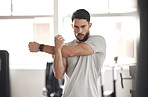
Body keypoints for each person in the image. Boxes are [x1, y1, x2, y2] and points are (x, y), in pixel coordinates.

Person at [28, 9, 106, 97]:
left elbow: (70, 52)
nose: (79, 31)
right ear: (72, 26)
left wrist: (40, 47)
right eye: (76, 27)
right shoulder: (65, 47)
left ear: (90, 25)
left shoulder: (98, 41)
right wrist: (57, 50)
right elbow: (58, 74)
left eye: (83, 26)